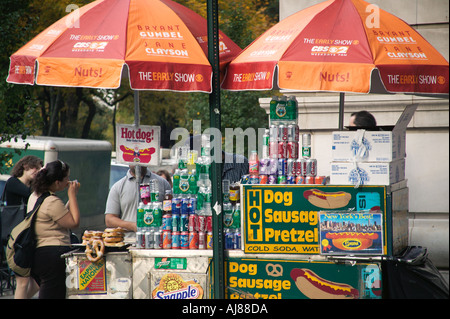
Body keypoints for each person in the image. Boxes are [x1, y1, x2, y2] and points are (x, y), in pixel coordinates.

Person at [28, 160, 80, 299]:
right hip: (52, 254)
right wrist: (72, 195)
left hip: (41, 253)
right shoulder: (52, 202)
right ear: (57, 182)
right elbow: (74, 222)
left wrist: (71, 199)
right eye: (67, 178)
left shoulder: (38, 197)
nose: (69, 181)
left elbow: (63, 215)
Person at [1, 155, 43, 299]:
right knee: (23, 281)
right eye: (34, 168)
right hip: (16, 237)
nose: (36, 171)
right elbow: (32, 194)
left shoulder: (29, 187)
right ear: (25, 166)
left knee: (37, 281)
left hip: (27, 236)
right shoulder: (13, 182)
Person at [104, 165, 171, 240]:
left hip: (157, 241)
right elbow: (109, 220)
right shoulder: (117, 187)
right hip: (128, 241)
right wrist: (133, 226)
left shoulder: (162, 183)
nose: (137, 161)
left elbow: (170, 213)